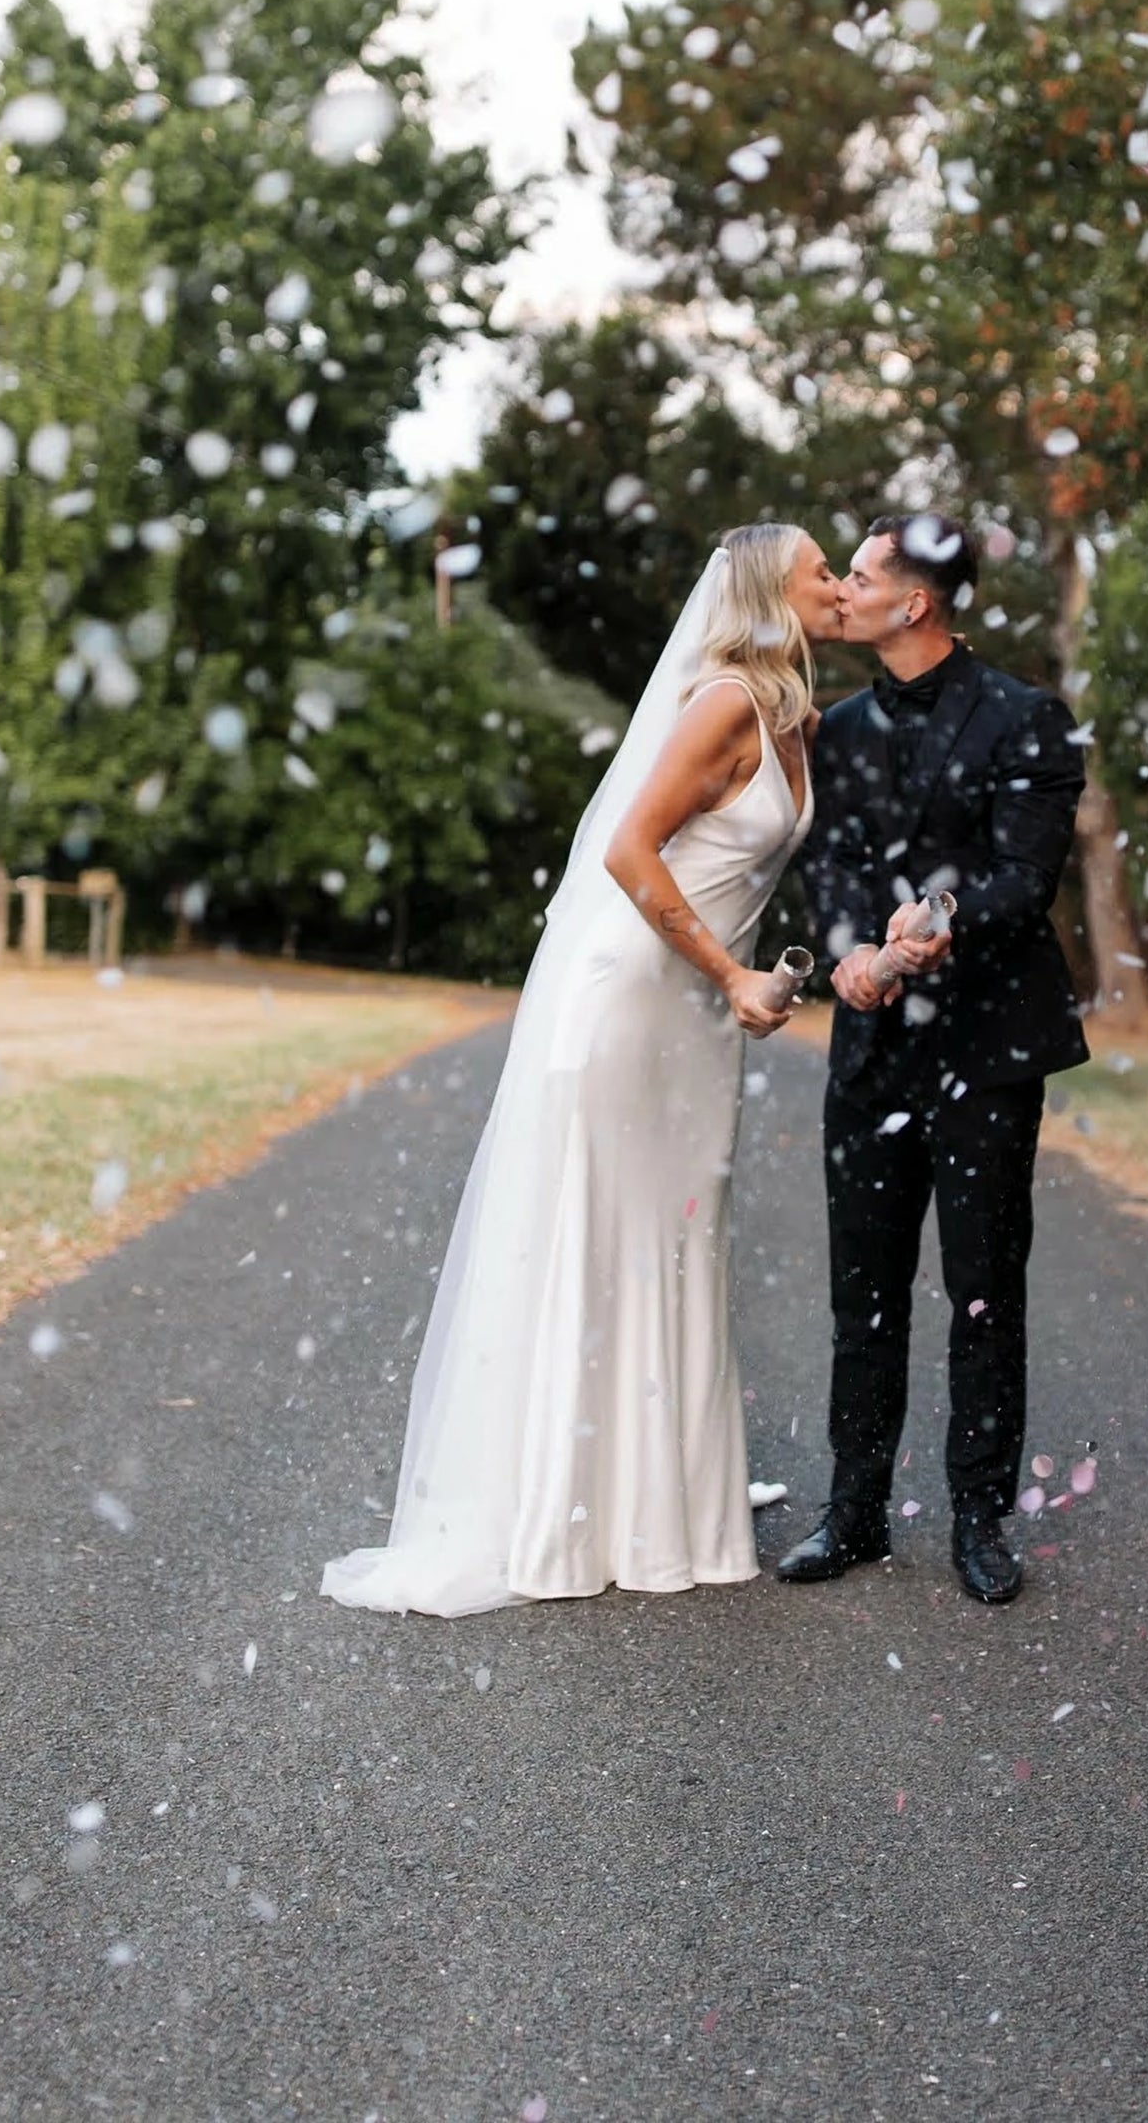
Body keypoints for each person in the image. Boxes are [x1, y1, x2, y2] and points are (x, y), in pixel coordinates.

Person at [322, 524, 843, 1616]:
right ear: (767, 595)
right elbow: (626, 849)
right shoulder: (721, 704)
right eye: (819, 572)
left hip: (693, 1015)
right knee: (602, 1231)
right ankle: (566, 1508)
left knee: (678, 1230)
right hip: (629, 996)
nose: (836, 585)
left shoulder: (794, 719)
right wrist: (729, 971)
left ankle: (662, 1497)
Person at [783, 512, 1088, 1606]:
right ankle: (853, 1511)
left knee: (980, 1291)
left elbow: (1025, 873)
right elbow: (828, 870)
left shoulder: (1027, 720)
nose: (842, 591)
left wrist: (940, 919)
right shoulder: (836, 730)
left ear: (913, 603)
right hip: (870, 1049)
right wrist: (853, 955)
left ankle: (977, 1520)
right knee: (859, 1288)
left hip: (987, 1050)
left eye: (858, 577)